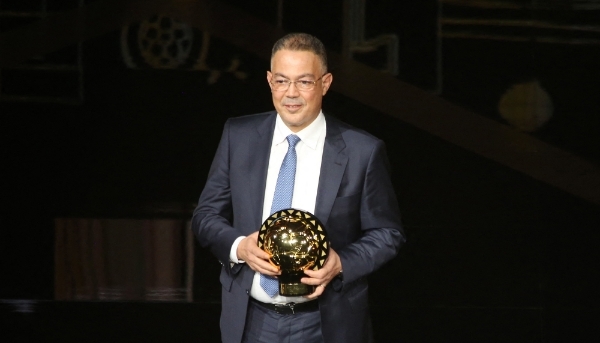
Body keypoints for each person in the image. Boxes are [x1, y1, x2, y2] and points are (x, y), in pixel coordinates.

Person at [192, 32, 405, 343]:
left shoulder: (362, 151)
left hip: (325, 323)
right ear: (269, 80)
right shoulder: (238, 136)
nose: (291, 93)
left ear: (325, 83)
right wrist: (240, 247)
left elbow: (388, 233)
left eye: (304, 81)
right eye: (281, 80)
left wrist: (341, 263)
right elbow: (205, 216)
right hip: (250, 321)